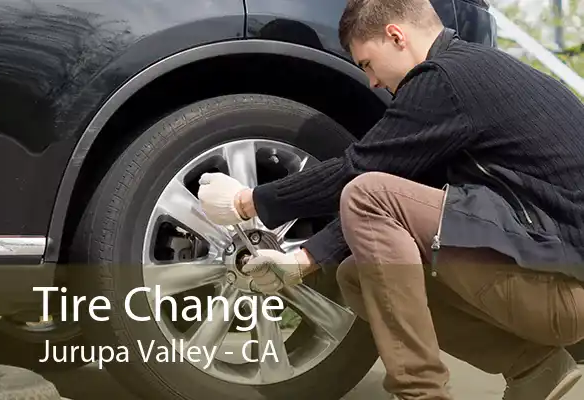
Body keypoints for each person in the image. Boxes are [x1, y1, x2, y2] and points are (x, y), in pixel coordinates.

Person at [196, 0, 584, 399]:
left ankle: (420, 392)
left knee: (367, 194)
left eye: (366, 64)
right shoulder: (473, 74)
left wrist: (248, 201)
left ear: (396, 36)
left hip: (561, 291)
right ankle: (537, 366)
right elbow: (403, 181)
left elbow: (358, 172)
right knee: (357, 275)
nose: (373, 83)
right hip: (555, 280)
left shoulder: (444, 80)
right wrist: (302, 259)